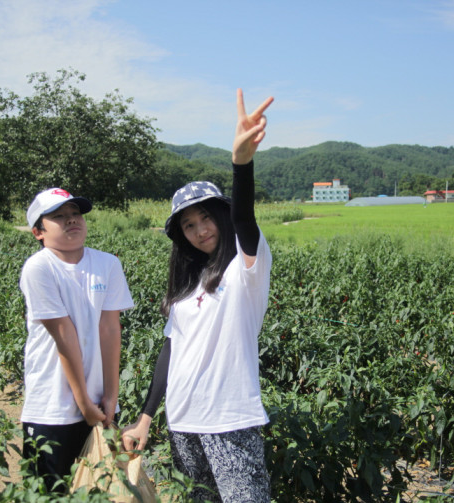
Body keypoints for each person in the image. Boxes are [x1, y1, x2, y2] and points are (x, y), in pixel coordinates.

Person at [122, 89, 274, 503]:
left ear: (221, 215)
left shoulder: (245, 269)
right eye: (188, 225)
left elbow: (245, 218)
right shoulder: (187, 288)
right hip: (183, 421)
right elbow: (171, 350)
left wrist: (241, 163)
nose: (200, 229)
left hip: (229, 420)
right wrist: (145, 417)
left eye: (206, 217)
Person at [19, 187, 134, 493]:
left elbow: (110, 330)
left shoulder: (107, 264)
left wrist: (111, 396)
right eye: (59, 217)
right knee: (51, 493)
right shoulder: (39, 267)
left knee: (103, 491)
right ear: (38, 232)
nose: (71, 220)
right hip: (52, 406)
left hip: (101, 404)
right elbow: (63, 334)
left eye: (75, 214)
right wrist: (83, 402)